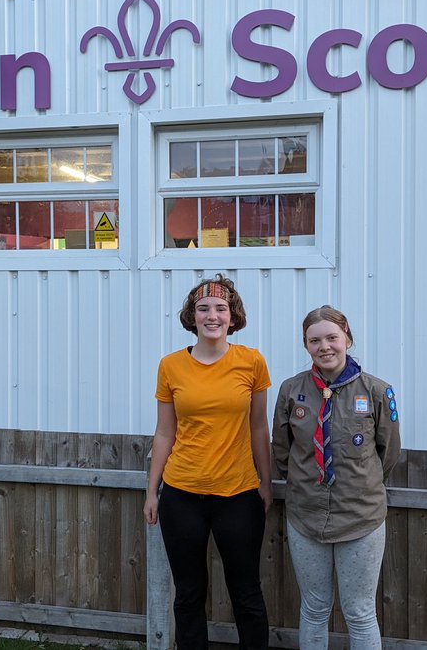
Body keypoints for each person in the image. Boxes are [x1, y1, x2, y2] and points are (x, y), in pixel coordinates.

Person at [144, 274, 272, 650]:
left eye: (221, 308)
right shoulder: (170, 366)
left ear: (233, 317)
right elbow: (165, 433)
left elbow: (259, 428)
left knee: (246, 592)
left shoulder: (251, 362)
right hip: (182, 495)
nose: (212, 316)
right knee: (188, 594)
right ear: (192, 316)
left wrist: (265, 484)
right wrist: (153, 492)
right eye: (204, 309)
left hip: (239, 495)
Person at [272, 305, 402, 650]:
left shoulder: (376, 392)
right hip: (306, 516)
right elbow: (282, 451)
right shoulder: (290, 391)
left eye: (332, 337)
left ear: (348, 338)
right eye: (315, 340)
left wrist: (358, 483)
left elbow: (388, 453)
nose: (324, 346)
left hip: (361, 516)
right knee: (314, 608)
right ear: (306, 345)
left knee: (359, 612)